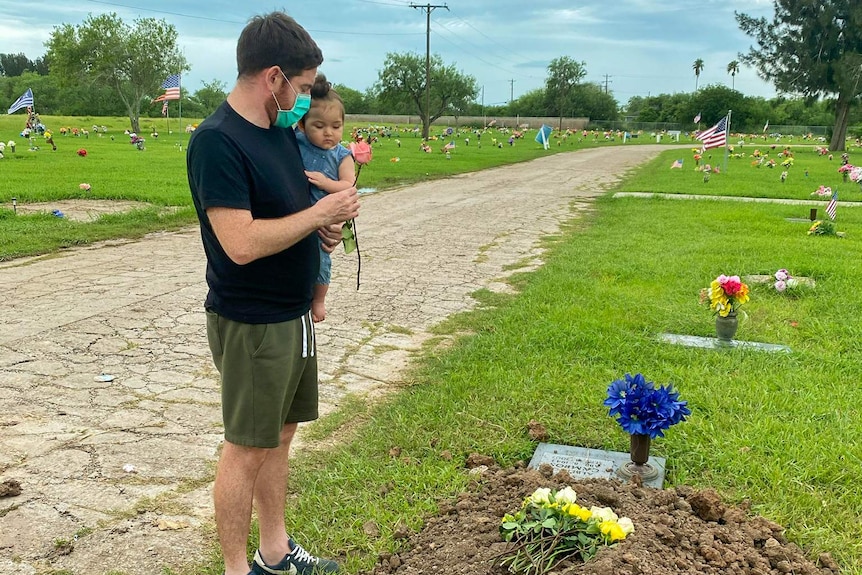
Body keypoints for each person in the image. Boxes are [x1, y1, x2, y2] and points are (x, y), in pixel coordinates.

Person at [185, 11, 359, 575]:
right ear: (274, 76)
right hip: (253, 321)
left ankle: (275, 552)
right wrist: (320, 212)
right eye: (303, 88)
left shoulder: (279, 133)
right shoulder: (218, 143)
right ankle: (238, 568)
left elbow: (292, 213)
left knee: (280, 437)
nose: (306, 101)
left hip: (292, 314)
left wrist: (323, 226)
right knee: (247, 446)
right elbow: (239, 243)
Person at [295, 73, 356, 323]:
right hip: (297, 215)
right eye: (319, 126)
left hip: (323, 220)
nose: (328, 133)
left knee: (321, 259)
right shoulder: (297, 142)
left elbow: (348, 185)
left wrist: (326, 183)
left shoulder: (342, 155)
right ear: (302, 125)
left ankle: (318, 300)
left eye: (335, 126)